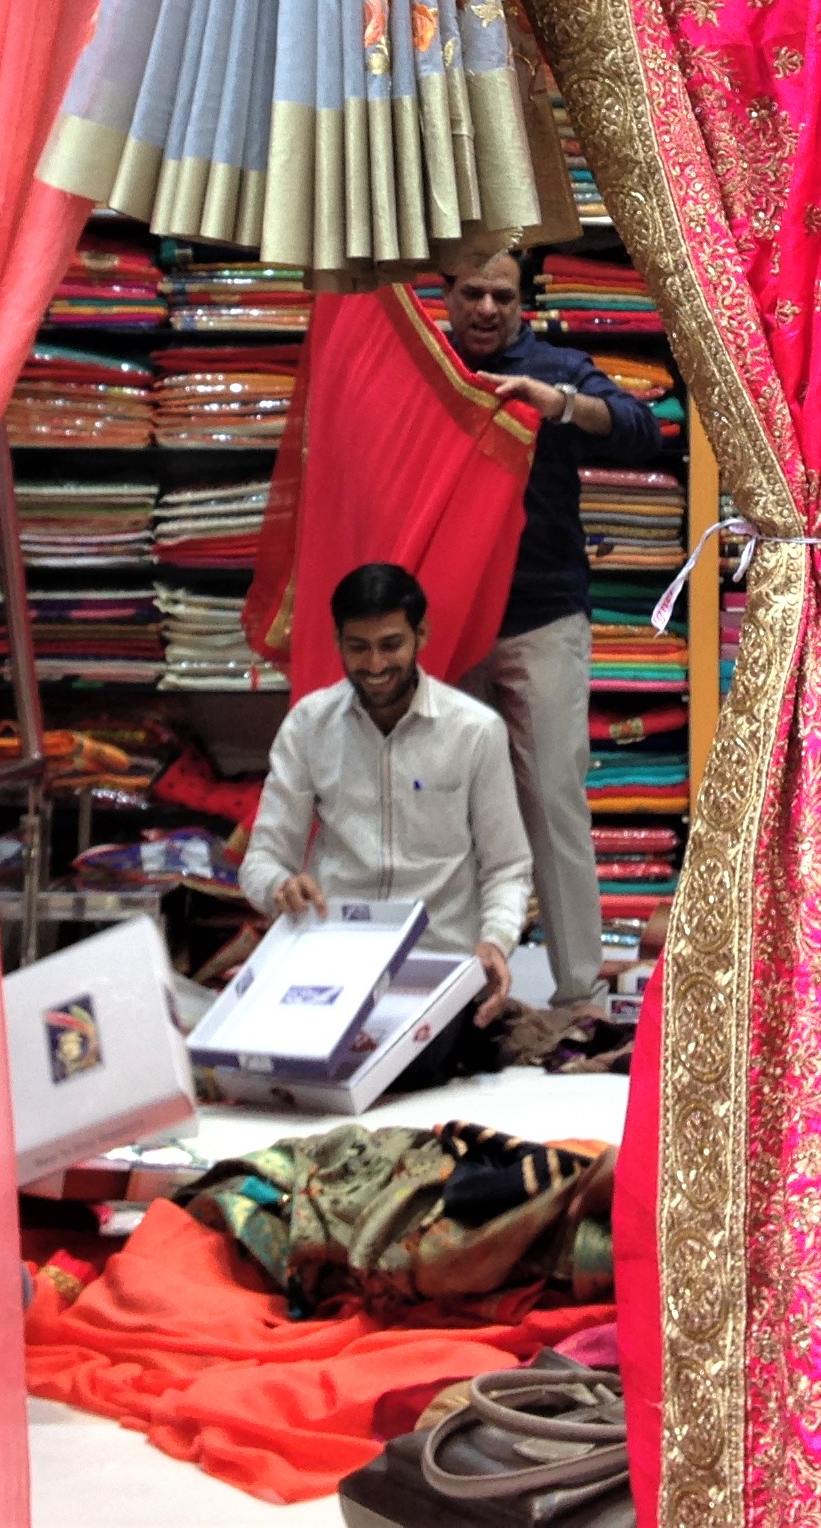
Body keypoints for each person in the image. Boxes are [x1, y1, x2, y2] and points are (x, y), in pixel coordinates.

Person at [440, 246, 662, 1014]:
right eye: (474, 292)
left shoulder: (556, 364)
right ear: (448, 292)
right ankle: (457, 988)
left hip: (542, 612)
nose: (489, 309)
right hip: (445, 618)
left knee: (555, 800)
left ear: (522, 298)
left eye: (503, 295)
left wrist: (557, 402)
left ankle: (576, 996)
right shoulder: (425, 366)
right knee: (447, 803)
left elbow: (643, 429)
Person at [240, 562, 532, 1067]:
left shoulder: (475, 732)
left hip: (435, 966)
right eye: (358, 647)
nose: (375, 664)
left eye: (391, 644)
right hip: (332, 965)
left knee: (406, 1065)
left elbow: (507, 866)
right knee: (269, 1061)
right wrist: (279, 888)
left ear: (422, 635)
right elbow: (263, 857)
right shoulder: (308, 726)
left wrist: (494, 941)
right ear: (338, 641)